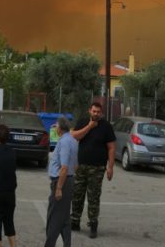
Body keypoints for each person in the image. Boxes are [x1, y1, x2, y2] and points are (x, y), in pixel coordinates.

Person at [70, 102, 115, 239]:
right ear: (89, 111)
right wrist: (89, 126)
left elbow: (111, 148)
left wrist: (110, 167)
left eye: (98, 112)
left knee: (93, 197)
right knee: (77, 194)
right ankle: (75, 221)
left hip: (97, 168)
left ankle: (93, 225)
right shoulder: (83, 121)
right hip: (81, 166)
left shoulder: (106, 126)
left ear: (101, 113)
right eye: (94, 111)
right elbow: (74, 136)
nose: (96, 114)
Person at [44, 116, 78, 247]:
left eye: (56, 125)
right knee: (64, 219)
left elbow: (64, 167)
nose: (55, 127)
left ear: (60, 128)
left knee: (54, 218)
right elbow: (75, 165)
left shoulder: (64, 142)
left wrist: (59, 188)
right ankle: (67, 244)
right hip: (68, 181)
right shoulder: (72, 140)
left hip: (61, 182)